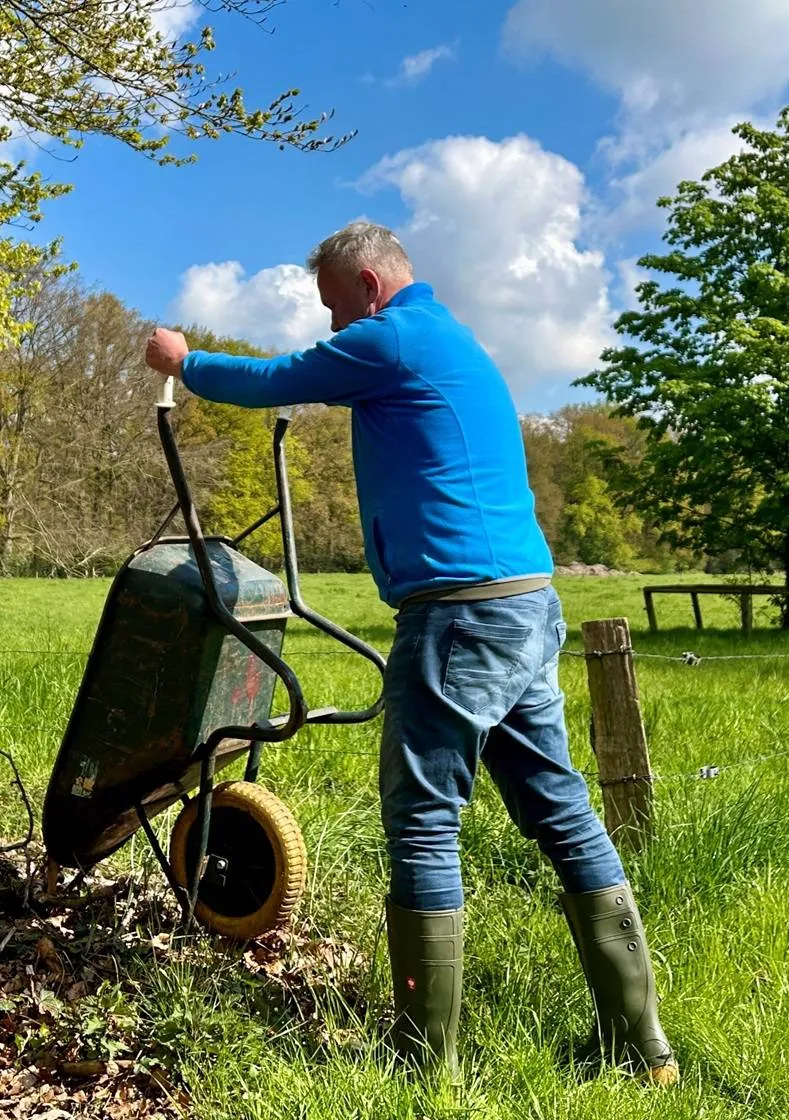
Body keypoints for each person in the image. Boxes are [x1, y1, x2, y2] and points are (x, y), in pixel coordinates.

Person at [144, 221, 677, 1086]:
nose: (332, 329)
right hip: (525, 608)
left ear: (368, 284)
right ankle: (641, 1047)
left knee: (425, 824)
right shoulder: (451, 341)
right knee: (564, 814)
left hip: (460, 618)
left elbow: (280, 377)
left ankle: (424, 1066)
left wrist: (185, 361)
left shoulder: (391, 338)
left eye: (333, 308)